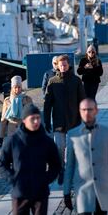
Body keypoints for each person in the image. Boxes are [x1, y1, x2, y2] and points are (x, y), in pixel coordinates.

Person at [63, 98, 108, 215]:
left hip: (103, 189)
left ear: (96, 111)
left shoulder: (107, 132)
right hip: (82, 191)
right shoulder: (72, 134)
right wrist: (66, 192)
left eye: (90, 109)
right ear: (79, 112)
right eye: (83, 110)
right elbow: (70, 166)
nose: (87, 112)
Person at [0, 105, 61, 215]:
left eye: (38, 118)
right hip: (20, 193)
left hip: (40, 193)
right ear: (24, 120)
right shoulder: (13, 141)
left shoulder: (47, 141)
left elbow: (55, 164)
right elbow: (2, 164)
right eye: (32, 118)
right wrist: (13, 179)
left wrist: (46, 179)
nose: (36, 121)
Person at [44, 54, 86, 184]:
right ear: (57, 66)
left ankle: (71, 171)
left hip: (74, 121)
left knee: (72, 149)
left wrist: (85, 118)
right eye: (60, 65)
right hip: (58, 122)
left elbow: (83, 101)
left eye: (65, 65)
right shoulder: (52, 82)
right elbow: (47, 104)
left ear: (69, 65)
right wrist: (46, 120)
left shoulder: (76, 80)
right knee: (59, 148)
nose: (63, 67)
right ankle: (61, 170)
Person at [0, 76, 33, 147]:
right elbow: (3, 119)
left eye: (19, 87)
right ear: (12, 88)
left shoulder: (27, 99)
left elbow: (32, 117)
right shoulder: (7, 101)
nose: (17, 89)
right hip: (12, 132)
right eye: (15, 87)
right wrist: (0, 136)